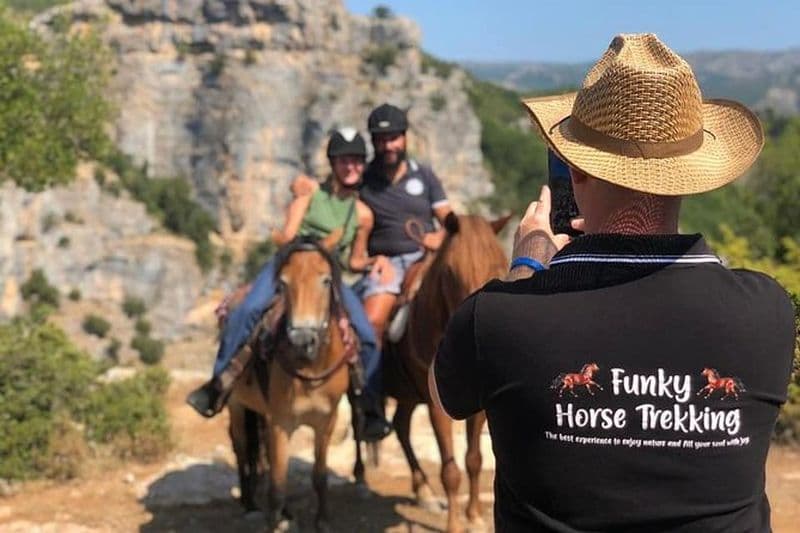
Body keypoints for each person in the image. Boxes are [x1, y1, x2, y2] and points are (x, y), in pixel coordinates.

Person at [430, 34, 795, 532]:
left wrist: (528, 266)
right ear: (691, 175)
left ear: (575, 171)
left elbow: (441, 394)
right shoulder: (768, 311)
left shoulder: (498, 316)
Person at [188, 127, 393, 442]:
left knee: (366, 335)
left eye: (356, 160)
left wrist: (374, 261)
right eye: (343, 160)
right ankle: (218, 384)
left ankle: (370, 409)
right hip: (290, 267)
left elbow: (353, 260)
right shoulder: (309, 194)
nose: (350, 166)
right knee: (248, 310)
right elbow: (287, 236)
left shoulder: (362, 214)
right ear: (333, 164)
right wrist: (302, 250)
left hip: (327, 277)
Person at [294, 104, 453, 343]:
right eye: (381, 140)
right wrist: (304, 184)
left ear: (405, 138)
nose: (388, 146)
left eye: (393, 138)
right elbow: (334, 188)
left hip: (426, 257)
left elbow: (448, 219)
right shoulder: (364, 178)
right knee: (372, 322)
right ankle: (373, 366)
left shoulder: (424, 175)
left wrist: (440, 236)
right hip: (387, 263)